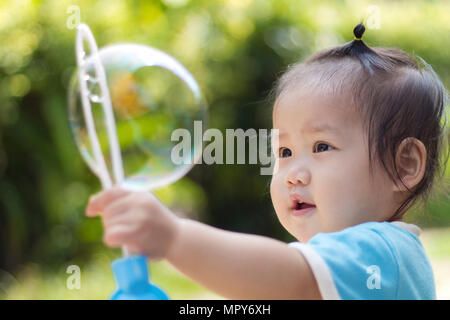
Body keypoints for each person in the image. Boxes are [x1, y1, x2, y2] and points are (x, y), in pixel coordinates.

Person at [85, 23, 448, 299]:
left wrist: (175, 237)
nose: (292, 174)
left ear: (405, 166)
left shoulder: (381, 252)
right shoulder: (343, 266)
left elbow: (286, 279)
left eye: (321, 147)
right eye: (284, 152)